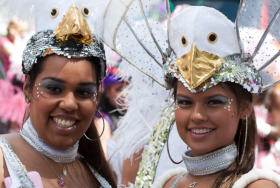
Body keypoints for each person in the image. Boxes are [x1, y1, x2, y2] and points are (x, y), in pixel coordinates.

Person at [0, 1, 116, 187]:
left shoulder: (95, 174)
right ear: (28, 88)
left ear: (97, 96)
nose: (69, 103)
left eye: (84, 92)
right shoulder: (3, 162)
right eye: (54, 89)